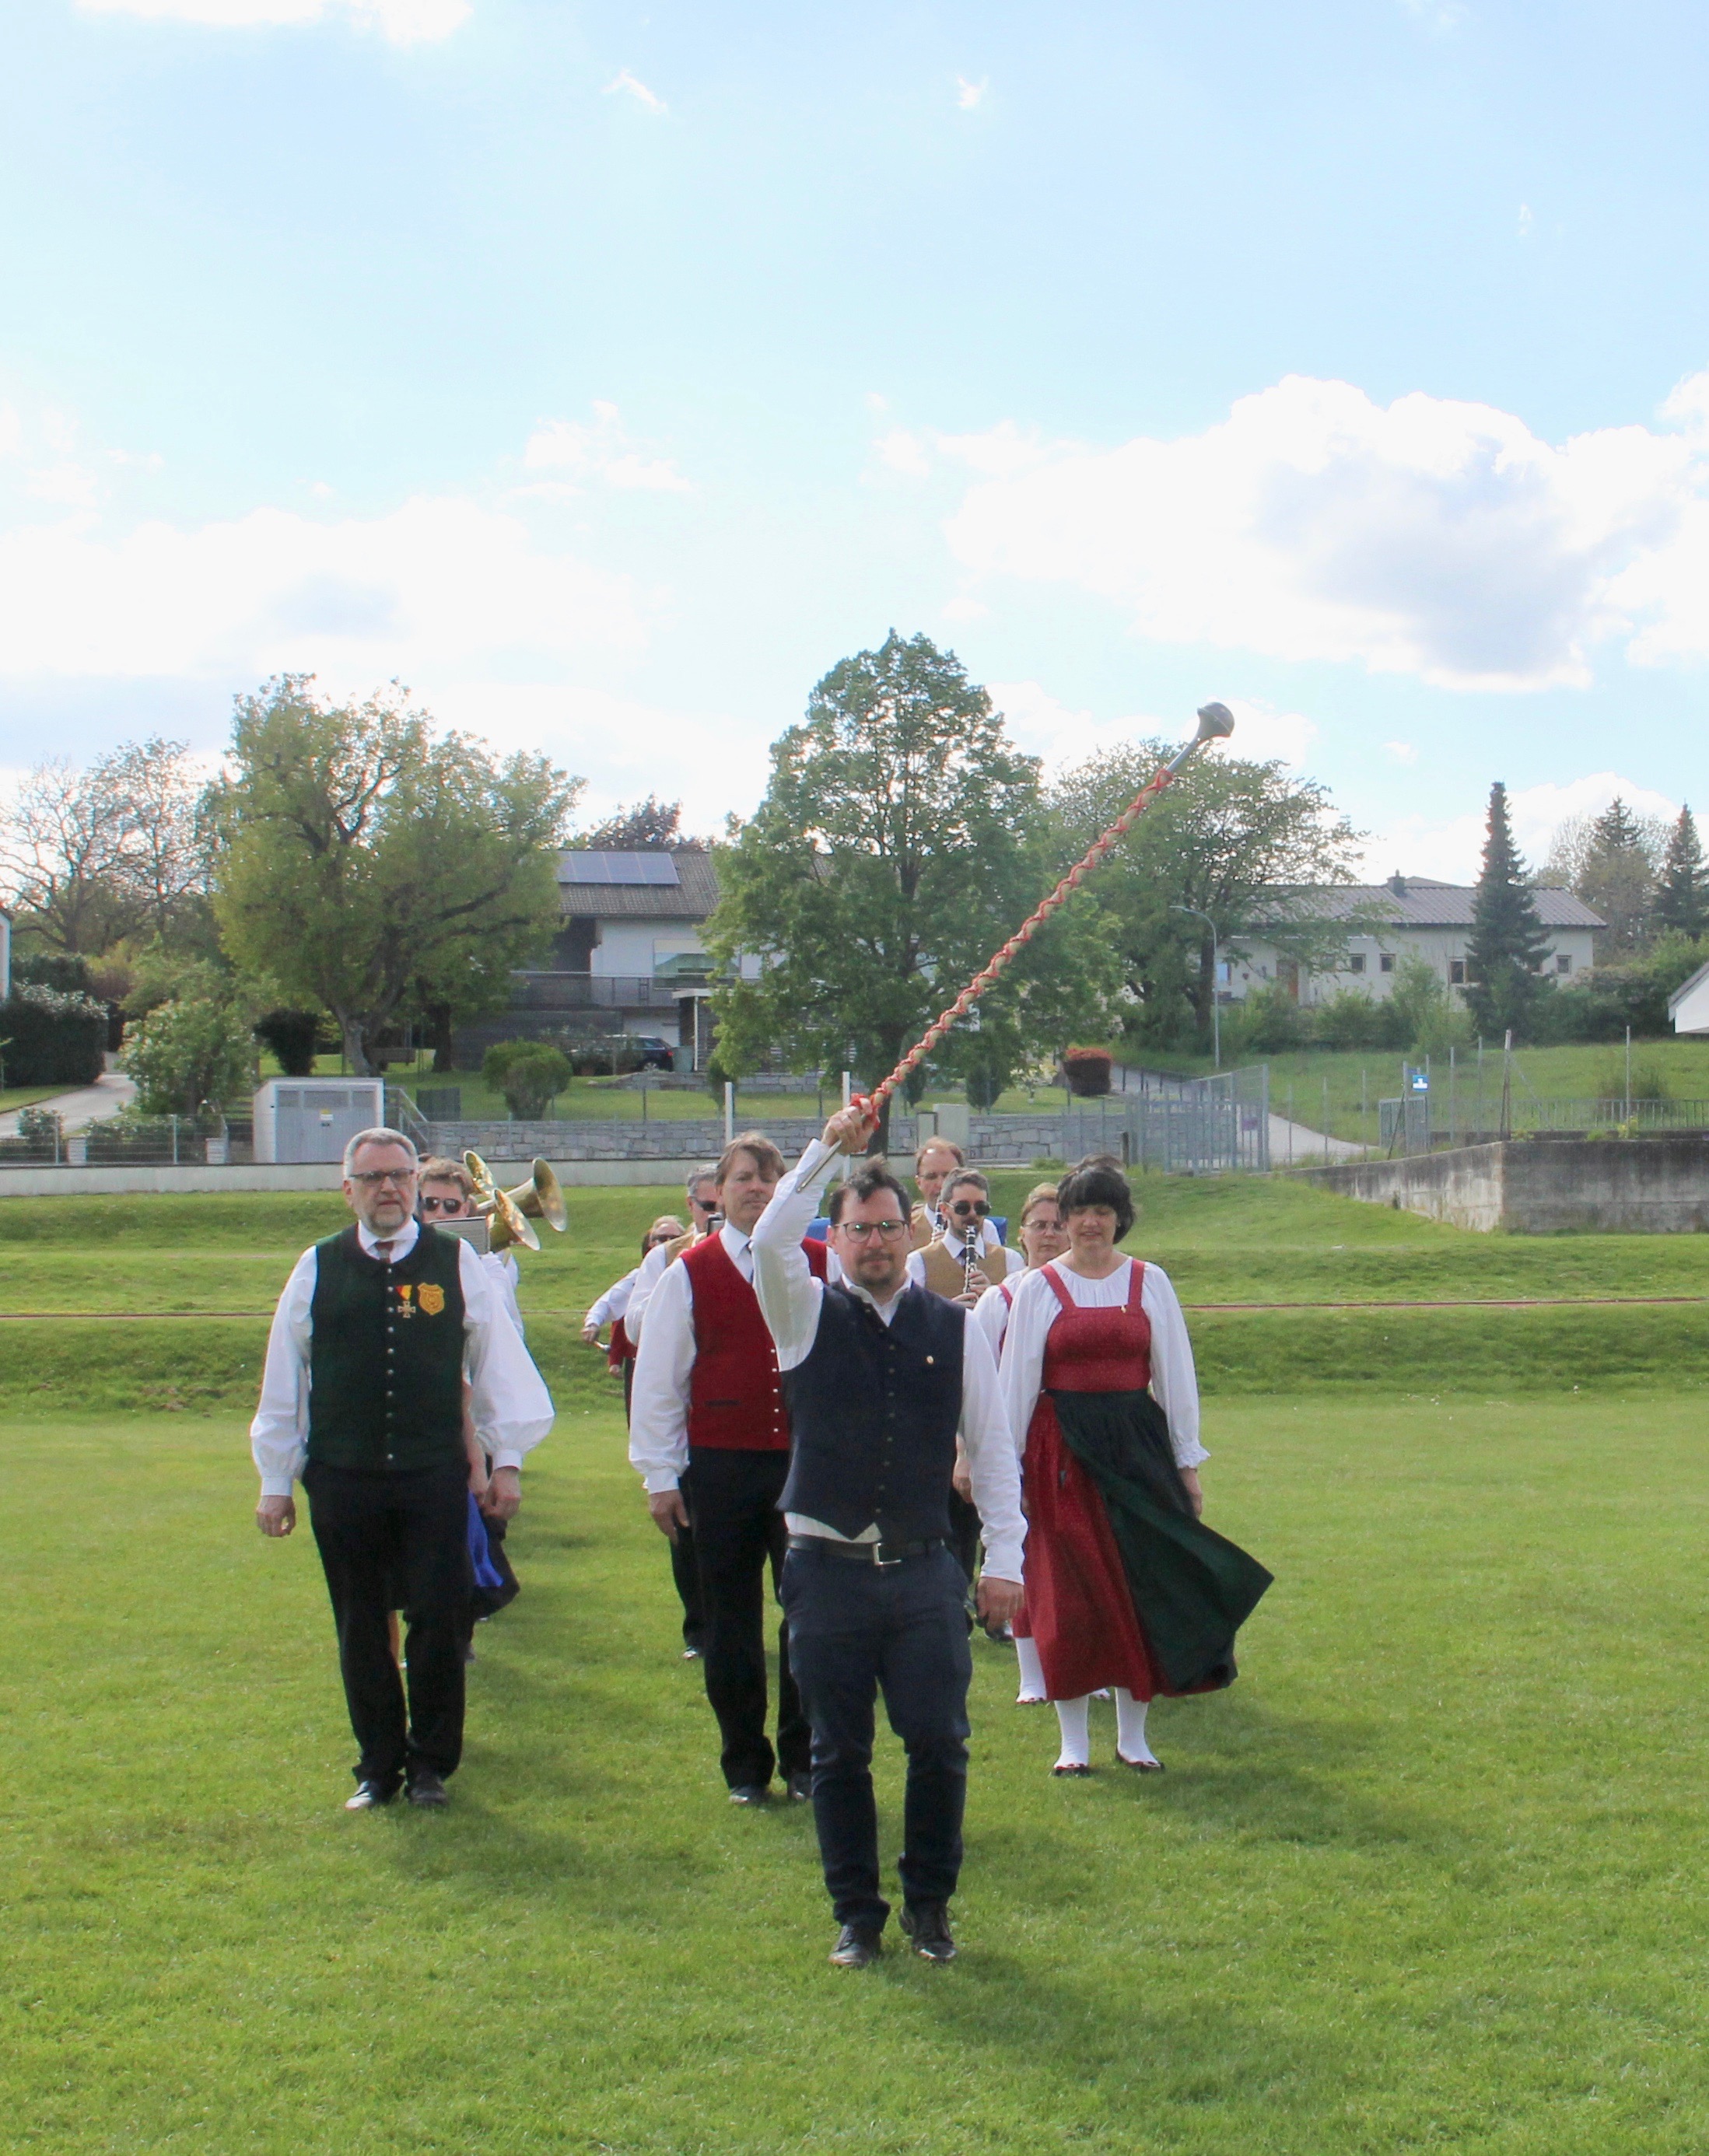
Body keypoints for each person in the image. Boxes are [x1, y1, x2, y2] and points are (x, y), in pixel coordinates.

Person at [751, 1104, 1026, 1969]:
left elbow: (992, 1451)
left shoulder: (956, 1327)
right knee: (839, 1752)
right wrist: (828, 1148)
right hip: (824, 1569)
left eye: (886, 1228)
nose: (873, 1243)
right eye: (856, 1230)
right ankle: (856, 1917)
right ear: (833, 1239)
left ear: (911, 1232)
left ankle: (929, 1905)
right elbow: (767, 1239)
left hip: (922, 1569)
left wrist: (1005, 1560)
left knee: (939, 1742)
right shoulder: (800, 1314)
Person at [252, 1128, 553, 1811]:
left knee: (439, 1620)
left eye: (399, 1176)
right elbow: (284, 1378)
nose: (387, 1189)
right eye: (372, 1178)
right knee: (360, 1624)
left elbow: (498, 1366)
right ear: (348, 1190)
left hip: (431, 1475)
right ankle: (378, 1767)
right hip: (344, 1474)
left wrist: (507, 1462)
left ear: (415, 1184)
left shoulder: (457, 1262)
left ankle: (430, 1766)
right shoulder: (317, 1266)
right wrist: (275, 1481)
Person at [998, 1155, 1271, 1777]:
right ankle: (1073, 1742)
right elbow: (1015, 1386)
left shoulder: (1150, 1282)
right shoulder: (1038, 1289)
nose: (1089, 1223)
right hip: (1061, 1455)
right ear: (1063, 1220)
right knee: (1069, 1600)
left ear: (1119, 1218)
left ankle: (1133, 1737)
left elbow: (1175, 1377)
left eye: (1102, 1211)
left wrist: (1186, 1465)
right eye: (1079, 1212)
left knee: (1137, 1591)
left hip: (1137, 1453)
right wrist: (1008, 1474)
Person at [629, 1132, 828, 1802]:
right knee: (730, 1622)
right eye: (744, 1178)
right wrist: (660, 1476)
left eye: (769, 1180)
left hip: (803, 1465)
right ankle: (744, 1765)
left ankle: (804, 1760)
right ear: (720, 1190)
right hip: (720, 1467)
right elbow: (660, 1381)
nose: (757, 1190)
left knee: (808, 1616)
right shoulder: (689, 1271)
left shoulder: (820, 1262)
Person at [969, 1181, 1069, 1691]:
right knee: (1026, 1549)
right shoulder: (999, 1301)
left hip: (1073, 1440)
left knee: (1075, 1555)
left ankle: (1082, 1661)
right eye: (1039, 1225)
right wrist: (969, 1455)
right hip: (1017, 1441)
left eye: (1058, 1225)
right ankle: (1031, 1671)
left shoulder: (1084, 1293)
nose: (1049, 1235)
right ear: (1021, 1234)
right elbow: (978, 1382)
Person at [583, 1214, 687, 1413]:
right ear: (650, 1243)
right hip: (644, 1364)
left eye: (673, 1238)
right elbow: (609, 1301)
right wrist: (592, 1324)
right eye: (660, 1238)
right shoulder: (639, 1277)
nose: (666, 1243)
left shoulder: (690, 1274)